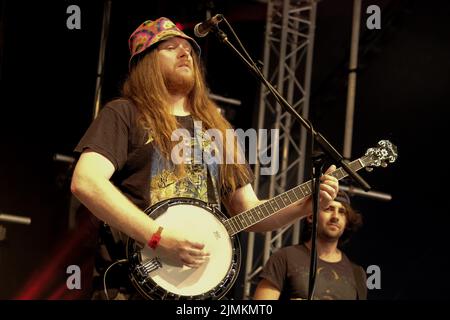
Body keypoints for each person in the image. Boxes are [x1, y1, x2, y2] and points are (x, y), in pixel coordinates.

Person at [70, 17, 339, 299]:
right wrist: (157, 237)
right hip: (132, 286)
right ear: (146, 62)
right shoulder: (124, 113)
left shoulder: (219, 130)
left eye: (187, 48)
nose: (185, 52)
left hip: (200, 293)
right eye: (171, 47)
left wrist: (303, 205)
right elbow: (86, 181)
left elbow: (248, 211)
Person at [253, 191, 366, 300]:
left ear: (347, 222)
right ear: (310, 216)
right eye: (328, 209)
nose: (335, 216)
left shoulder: (357, 273)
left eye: (342, 212)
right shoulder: (284, 258)